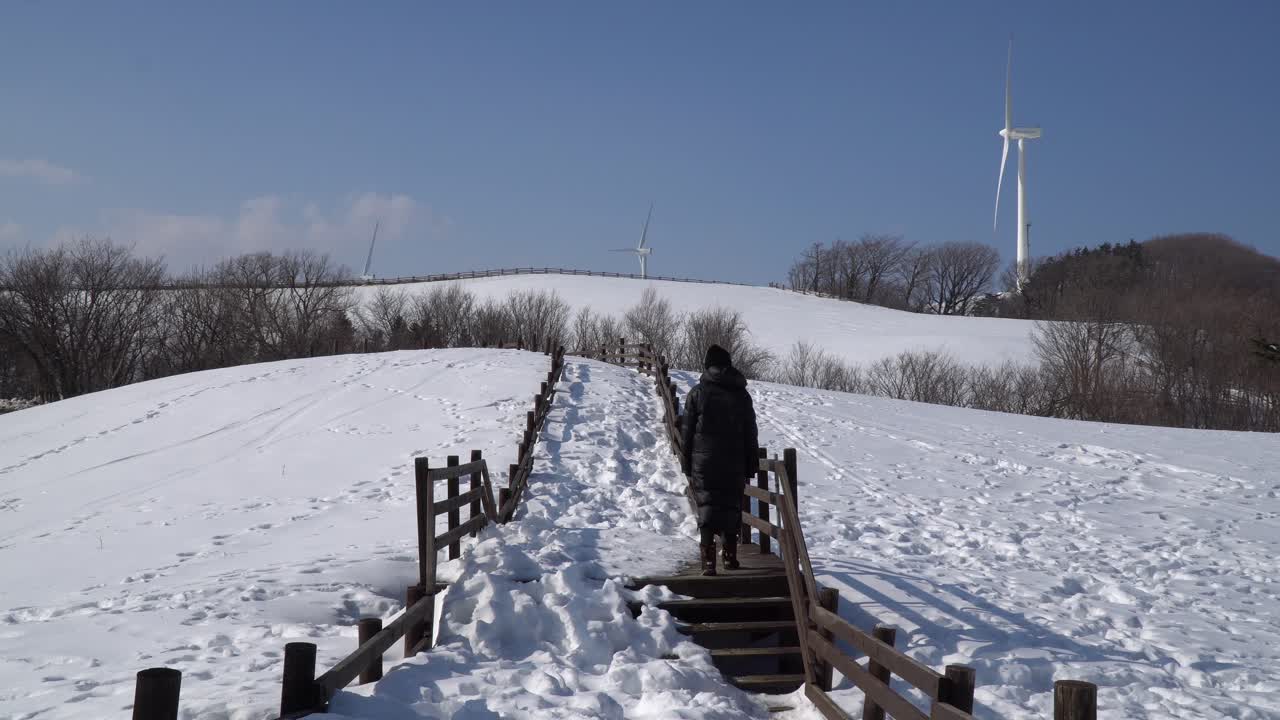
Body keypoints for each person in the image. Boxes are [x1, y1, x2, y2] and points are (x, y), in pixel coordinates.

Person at [681, 344, 759, 576]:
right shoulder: (741, 395)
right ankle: (730, 557)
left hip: (703, 462)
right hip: (733, 461)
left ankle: (708, 562)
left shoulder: (697, 392)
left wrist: (686, 463)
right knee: (730, 506)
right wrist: (751, 464)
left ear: (708, 365)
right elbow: (750, 432)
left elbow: (687, 432)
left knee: (707, 507)